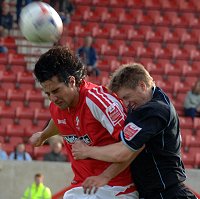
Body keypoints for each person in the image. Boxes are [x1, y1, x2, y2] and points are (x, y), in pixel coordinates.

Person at [72, 63, 198, 199]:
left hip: (167, 193)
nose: (126, 104)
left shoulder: (154, 110)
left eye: (127, 97)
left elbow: (124, 152)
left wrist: (87, 152)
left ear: (142, 86)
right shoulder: (151, 100)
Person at [29, 46, 139, 199]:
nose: (52, 98)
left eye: (56, 91)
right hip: (82, 188)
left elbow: (135, 146)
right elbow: (59, 122)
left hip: (117, 189)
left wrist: (92, 157)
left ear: (72, 81)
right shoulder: (57, 106)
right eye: (47, 93)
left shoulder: (99, 102)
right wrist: (43, 136)